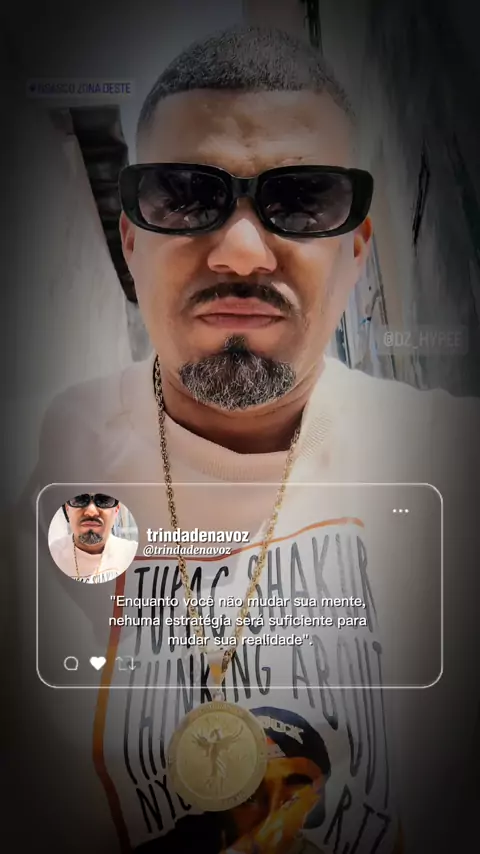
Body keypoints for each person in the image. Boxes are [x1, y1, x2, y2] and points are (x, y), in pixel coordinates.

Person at [19, 25, 479, 854]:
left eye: (301, 200)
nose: (239, 252)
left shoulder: (452, 467)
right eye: (184, 195)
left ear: (356, 252)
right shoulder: (31, 465)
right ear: (132, 240)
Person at [49, 493, 138, 584]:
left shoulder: (134, 555)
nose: (91, 512)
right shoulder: (49, 558)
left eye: (103, 500)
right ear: (67, 509)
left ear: (116, 510)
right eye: (80, 499)